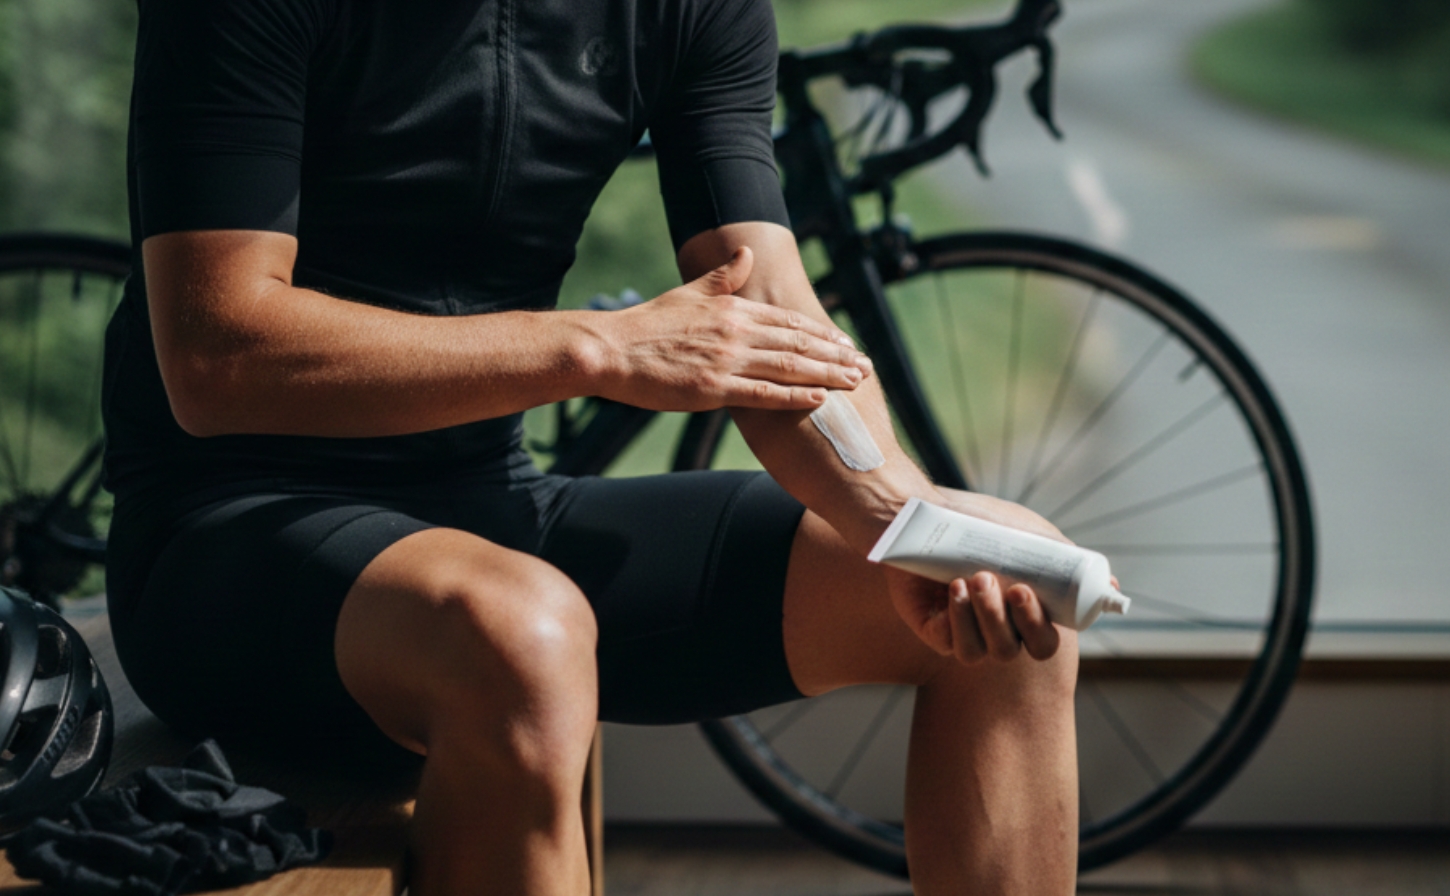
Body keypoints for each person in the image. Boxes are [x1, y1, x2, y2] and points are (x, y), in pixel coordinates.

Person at [102, 1, 1086, 893]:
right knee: (523, 636)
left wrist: (904, 521)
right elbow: (218, 356)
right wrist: (598, 346)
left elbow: (776, 316)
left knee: (1003, 580)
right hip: (226, 527)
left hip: (489, 506)